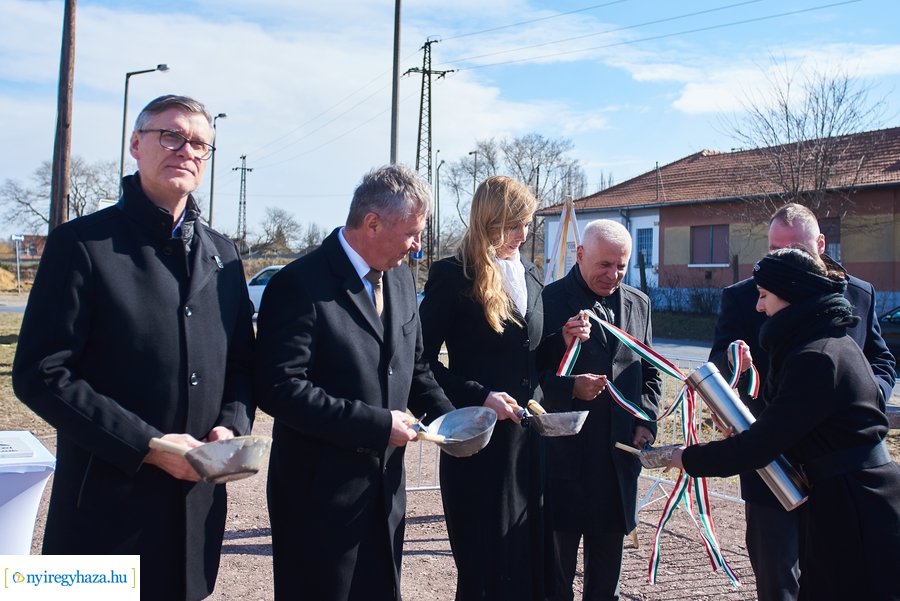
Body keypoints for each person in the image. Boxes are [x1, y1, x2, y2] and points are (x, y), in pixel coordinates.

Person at [12, 95, 255, 600]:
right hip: (106, 510)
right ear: (135, 145)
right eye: (171, 135)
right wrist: (148, 445)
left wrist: (230, 425)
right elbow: (42, 373)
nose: (185, 150)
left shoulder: (223, 255)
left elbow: (242, 363)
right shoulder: (82, 245)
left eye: (199, 143)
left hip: (194, 513)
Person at [255, 164, 456, 601]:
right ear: (372, 223)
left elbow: (414, 369)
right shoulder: (299, 285)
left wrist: (452, 421)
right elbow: (280, 388)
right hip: (318, 497)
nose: (418, 247)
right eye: (412, 234)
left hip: (385, 494)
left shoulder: (401, 279)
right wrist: (377, 425)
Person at [672, 247, 900, 600]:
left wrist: (686, 458)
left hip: (857, 504)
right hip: (843, 495)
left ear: (791, 294)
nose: (758, 307)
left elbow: (762, 445)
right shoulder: (822, 342)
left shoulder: (817, 356)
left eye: (764, 295)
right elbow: (793, 426)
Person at [418, 176, 589, 601]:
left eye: (527, 224)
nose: (523, 234)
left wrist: (562, 340)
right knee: (487, 569)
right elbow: (419, 362)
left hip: (529, 444)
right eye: (514, 224)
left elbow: (528, 359)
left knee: (530, 564)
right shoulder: (452, 275)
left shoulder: (531, 273)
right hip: (479, 442)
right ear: (489, 220)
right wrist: (480, 397)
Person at [541, 219, 661, 601]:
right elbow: (530, 374)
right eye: (604, 264)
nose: (613, 275)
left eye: (621, 266)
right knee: (555, 579)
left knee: (606, 582)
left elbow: (650, 372)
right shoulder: (547, 300)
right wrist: (570, 388)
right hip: (565, 461)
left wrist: (645, 421)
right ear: (580, 255)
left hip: (616, 462)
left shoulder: (639, 303)